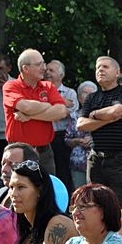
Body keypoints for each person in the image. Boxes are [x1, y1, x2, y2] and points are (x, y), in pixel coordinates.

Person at [77, 56, 122, 208]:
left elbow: (116, 112)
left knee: (120, 206)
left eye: (105, 67)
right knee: (94, 203)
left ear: (117, 73)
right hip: (96, 159)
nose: (100, 70)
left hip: (119, 160)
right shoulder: (92, 97)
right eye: (98, 67)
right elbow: (81, 124)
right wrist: (107, 120)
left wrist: (94, 114)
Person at [2, 48, 68, 176]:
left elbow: (62, 111)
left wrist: (29, 116)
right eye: (39, 64)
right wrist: (48, 105)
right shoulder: (11, 86)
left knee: (47, 192)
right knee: (21, 192)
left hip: (44, 152)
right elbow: (25, 106)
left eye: (43, 63)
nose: (44, 68)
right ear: (25, 68)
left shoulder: (48, 86)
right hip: (18, 154)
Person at [46, 59, 78, 191]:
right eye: (46, 70)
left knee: (63, 172)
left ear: (61, 75)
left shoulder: (70, 93)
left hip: (62, 138)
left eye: (51, 70)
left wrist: (45, 108)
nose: (47, 73)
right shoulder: (40, 92)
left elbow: (65, 114)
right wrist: (61, 103)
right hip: (44, 137)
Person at [64, 80, 96, 189]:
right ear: (79, 97)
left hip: (98, 162)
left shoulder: (102, 115)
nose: (88, 96)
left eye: (91, 93)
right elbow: (67, 140)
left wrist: (93, 140)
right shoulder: (73, 116)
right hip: (78, 162)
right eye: (84, 93)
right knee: (80, 194)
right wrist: (78, 141)